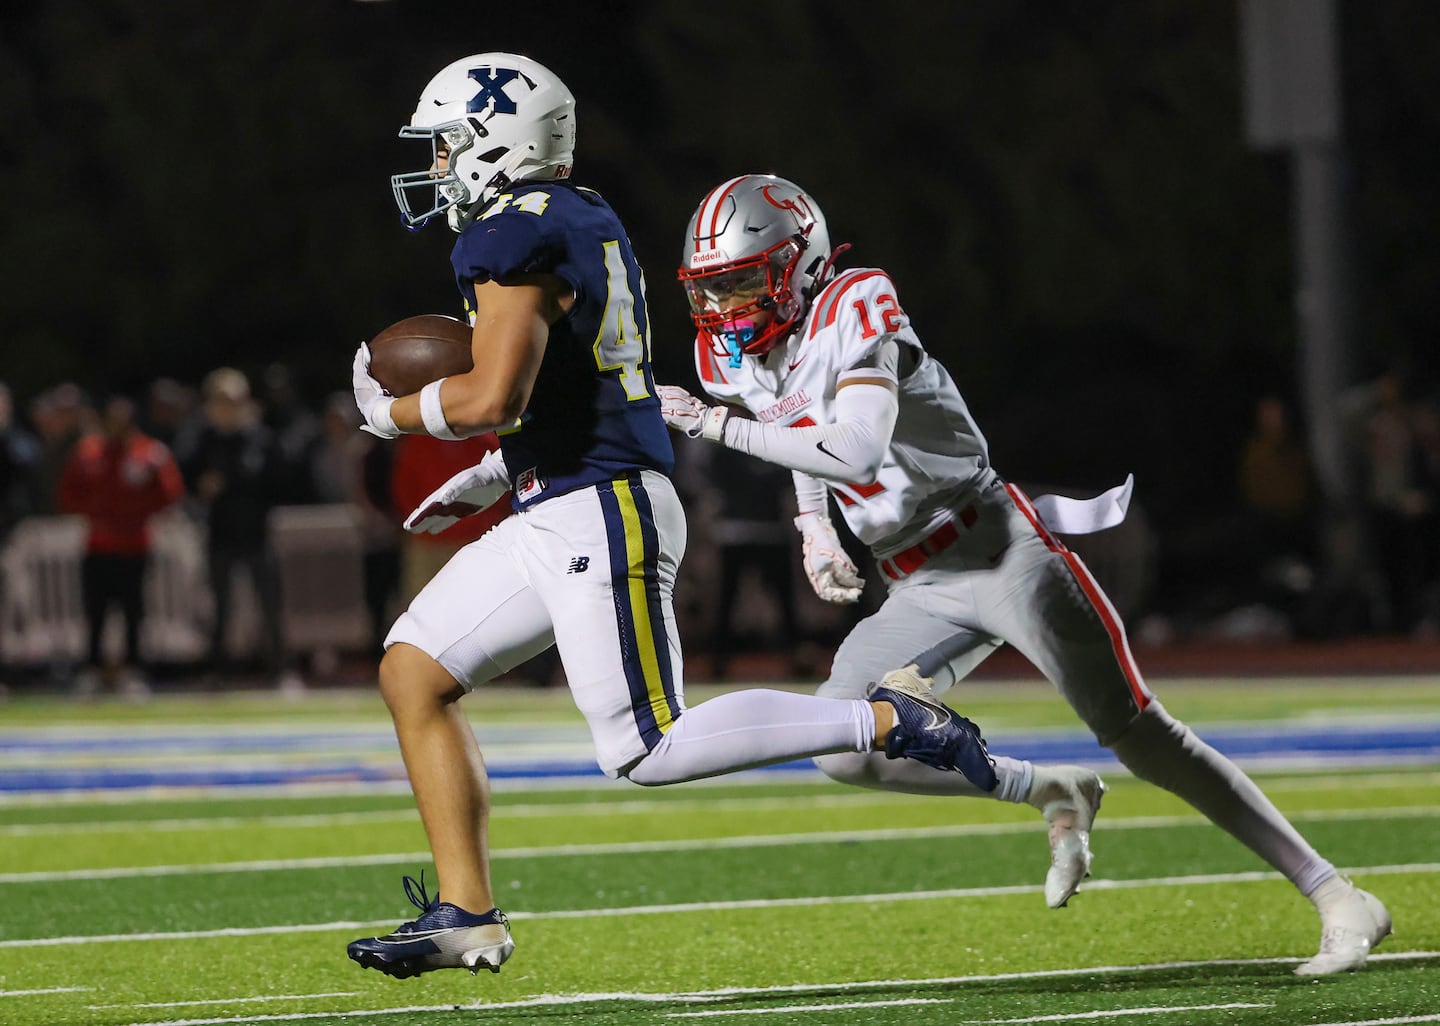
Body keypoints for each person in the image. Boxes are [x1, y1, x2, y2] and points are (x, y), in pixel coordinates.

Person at [344, 53, 996, 981]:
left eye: (449, 144)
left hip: (598, 508)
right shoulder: (581, 214)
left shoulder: (510, 233)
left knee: (645, 748)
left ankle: (887, 719)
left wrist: (393, 414)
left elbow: (494, 394)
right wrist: (498, 470)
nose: (439, 165)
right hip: (558, 499)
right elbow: (589, 385)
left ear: (497, 141)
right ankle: (467, 915)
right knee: (413, 669)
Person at [656, 173, 1392, 976]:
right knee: (843, 742)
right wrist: (813, 526)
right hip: (914, 582)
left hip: (1000, 549)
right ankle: (1049, 789)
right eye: (711, 289)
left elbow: (856, 448)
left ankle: (1338, 895)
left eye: (742, 284)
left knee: (1142, 737)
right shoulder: (730, 353)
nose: (724, 308)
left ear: (799, 265)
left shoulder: (856, 303)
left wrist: (711, 423)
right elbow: (790, 420)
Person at [57, 395, 184, 698]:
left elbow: (170, 493)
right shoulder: (88, 451)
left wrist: (136, 514)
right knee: (96, 612)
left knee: (133, 612)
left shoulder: (149, 453)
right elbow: (67, 493)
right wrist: (97, 513)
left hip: (134, 544)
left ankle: (133, 670)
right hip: (99, 544)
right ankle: (92, 670)